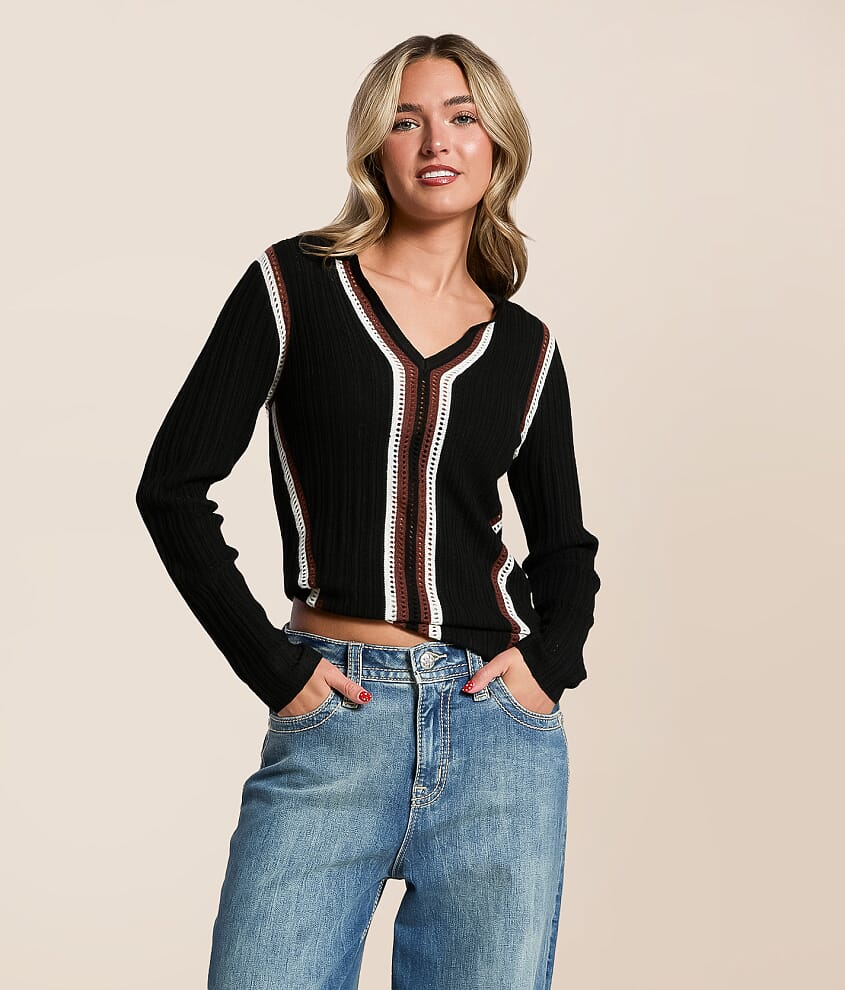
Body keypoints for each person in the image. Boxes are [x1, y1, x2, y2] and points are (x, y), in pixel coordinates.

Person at [136, 32, 600, 990]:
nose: (436, 140)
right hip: (337, 714)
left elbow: (565, 547)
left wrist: (548, 668)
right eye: (405, 119)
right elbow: (172, 488)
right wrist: (274, 668)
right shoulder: (293, 286)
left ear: (497, 142)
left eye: (461, 117)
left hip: (497, 737)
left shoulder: (526, 347)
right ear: (373, 148)